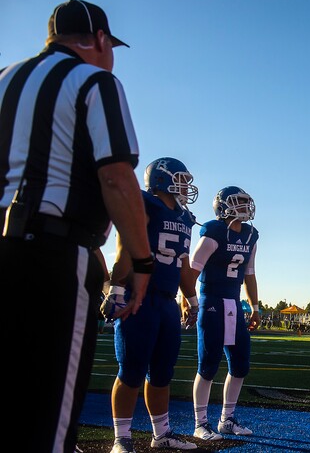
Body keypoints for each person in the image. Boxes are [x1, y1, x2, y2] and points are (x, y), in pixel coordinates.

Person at [0, 0, 152, 453]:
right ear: (100, 40)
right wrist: (137, 257)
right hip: (52, 256)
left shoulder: (5, 79)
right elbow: (116, 177)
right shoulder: (95, 80)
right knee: (50, 418)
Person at [105, 157, 199, 453]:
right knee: (131, 370)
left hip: (167, 302)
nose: (185, 186)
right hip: (139, 298)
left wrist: (192, 299)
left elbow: (183, 263)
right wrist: (117, 287)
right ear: (162, 179)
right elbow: (125, 246)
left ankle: (161, 434)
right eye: (180, 179)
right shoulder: (145, 203)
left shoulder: (185, 219)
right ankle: (122, 438)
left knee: (162, 371)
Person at [190, 186, 261, 441]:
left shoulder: (252, 235)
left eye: (245, 202)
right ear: (224, 206)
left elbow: (250, 274)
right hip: (211, 301)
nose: (244, 206)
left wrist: (255, 307)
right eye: (239, 202)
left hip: (234, 303)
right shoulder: (213, 231)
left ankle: (227, 420)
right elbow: (192, 270)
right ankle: (200, 423)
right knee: (208, 365)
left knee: (240, 363)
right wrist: (188, 301)